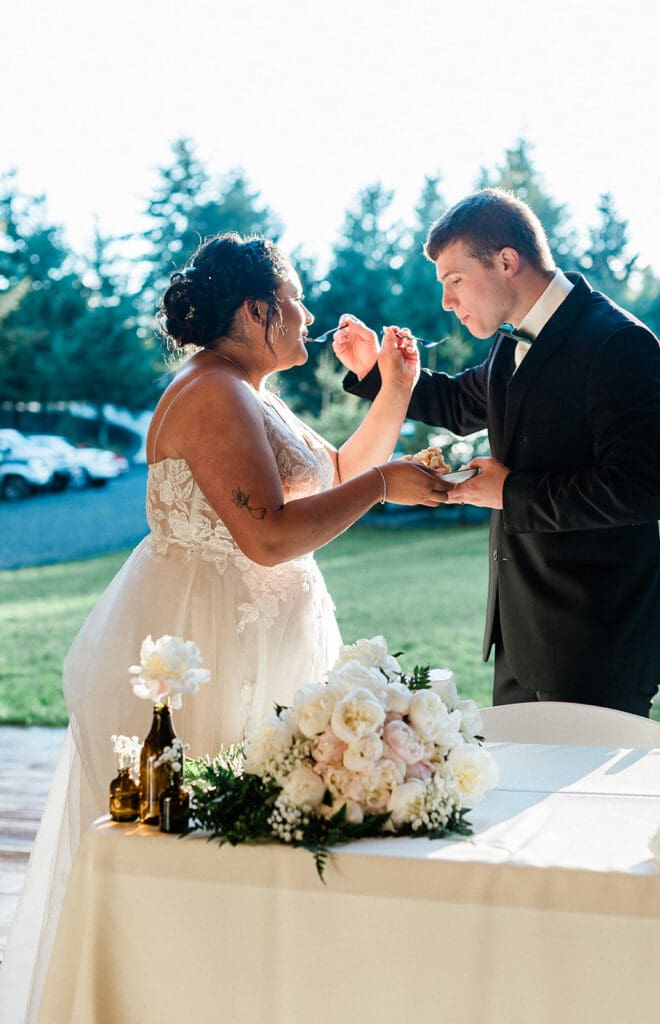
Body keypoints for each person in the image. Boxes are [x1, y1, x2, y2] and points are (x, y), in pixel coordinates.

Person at [0, 233, 452, 1023]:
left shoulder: (247, 388)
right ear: (258, 310)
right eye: (298, 300)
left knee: (261, 851)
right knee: (207, 854)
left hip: (261, 639)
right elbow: (269, 534)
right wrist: (384, 484)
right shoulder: (212, 393)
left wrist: (395, 390)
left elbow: (334, 476)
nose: (310, 316)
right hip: (206, 647)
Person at [337, 187, 660, 715]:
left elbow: (640, 490)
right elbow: (455, 402)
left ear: (506, 262)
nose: (447, 303)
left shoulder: (620, 344)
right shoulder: (508, 344)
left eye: (455, 282)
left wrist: (509, 492)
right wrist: (376, 370)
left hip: (599, 641)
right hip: (520, 639)